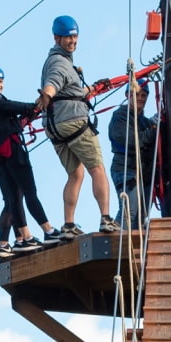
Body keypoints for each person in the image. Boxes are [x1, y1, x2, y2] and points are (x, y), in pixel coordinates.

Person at [33, 15, 117, 237]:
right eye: (68, 37)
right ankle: (106, 218)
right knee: (97, 168)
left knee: (75, 174)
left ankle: (68, 224)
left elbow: (66, 90)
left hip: (56, 128)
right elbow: (54, 82)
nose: (72, 41)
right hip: (73, 123)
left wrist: (92, 89)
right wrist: (47, 94)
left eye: (75, 36)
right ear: (56, 38)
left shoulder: (59, 61)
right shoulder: (60, 63)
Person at [0, 58, 56, 254]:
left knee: (14, 195)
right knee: (25, 192)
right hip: (8, 147)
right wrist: (32, 107)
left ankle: (22, 238)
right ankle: (46, 231)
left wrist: (29, 112)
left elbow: (4, 111)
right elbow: (6, 108)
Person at [107, 79, 159, 230]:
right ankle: (118, 244)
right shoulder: (120, 116)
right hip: (125, 168)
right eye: (137, 94)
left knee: (141, 215)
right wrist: (153, 132)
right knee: (130, 210)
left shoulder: (144, 121)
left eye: (144, 95)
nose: (140, 98)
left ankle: (132, 249)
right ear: (127, 95)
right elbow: (131, 141)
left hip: (141, 173)